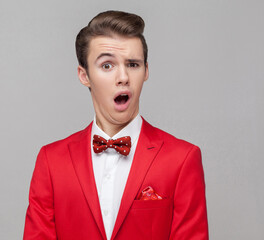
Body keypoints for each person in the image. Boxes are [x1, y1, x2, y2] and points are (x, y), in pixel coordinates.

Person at [23, 10, 208, 240]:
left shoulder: (182, 159)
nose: (123, 77)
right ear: (84, 75)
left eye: (132, 64)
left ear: (146, 71)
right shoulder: (51, 162)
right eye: (107, 66)